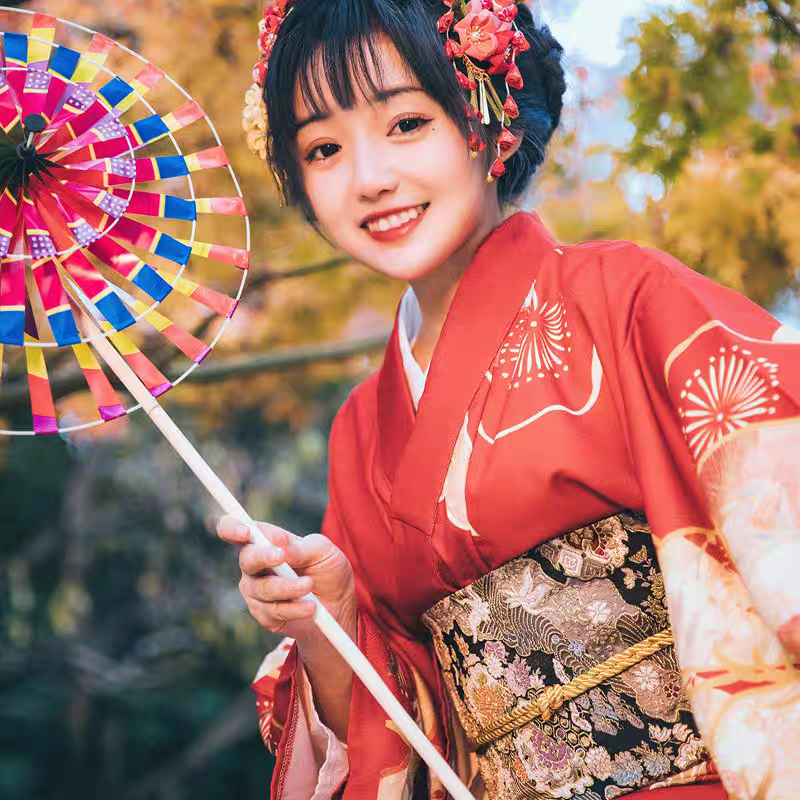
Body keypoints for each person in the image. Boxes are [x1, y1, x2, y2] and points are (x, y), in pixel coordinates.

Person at [219, 1, 800, 798]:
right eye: (323, 147)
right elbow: (398, 721)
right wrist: (328, 619)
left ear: (489, 123)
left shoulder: (624, 298)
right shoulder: (360, 428)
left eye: (406, 124)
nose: (369, 178)